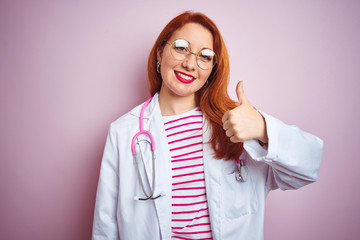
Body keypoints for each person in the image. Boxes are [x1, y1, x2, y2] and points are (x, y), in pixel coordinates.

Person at [92, 11, 323, 240]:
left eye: (205, 56)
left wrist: (263, 129)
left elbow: (307, 168)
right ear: (160, 53)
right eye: (181, 47)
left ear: (212, 69)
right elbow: (105, 227)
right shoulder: (123, 133)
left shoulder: (237, 124)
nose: (190, 63)